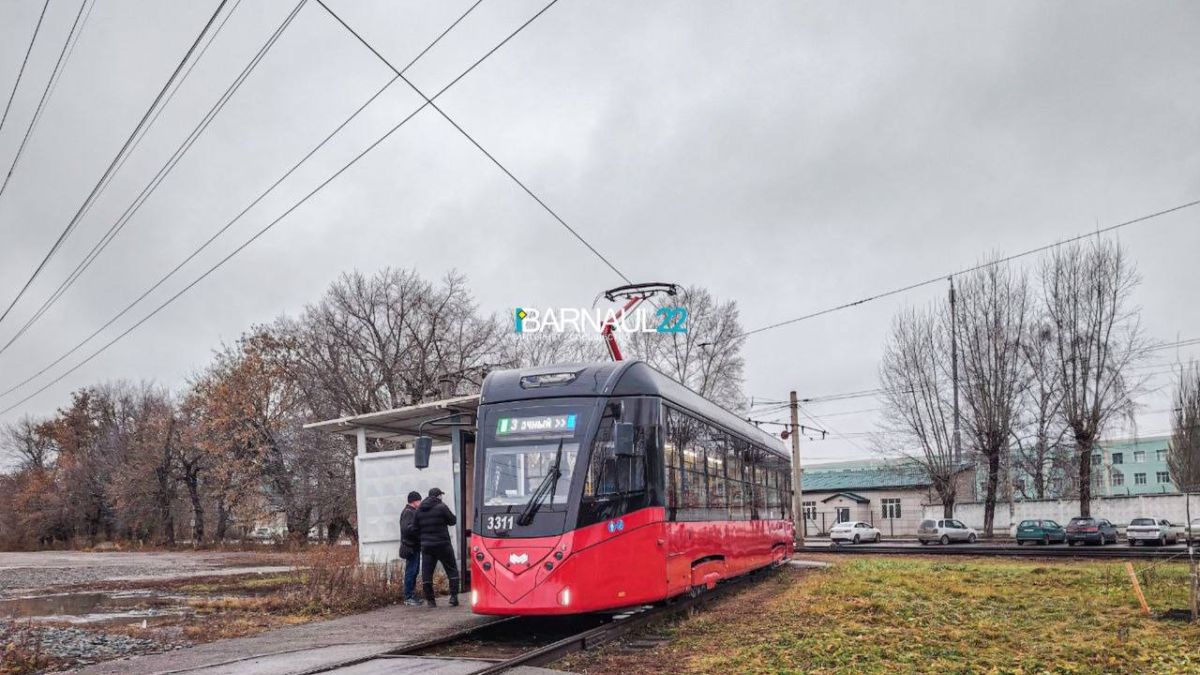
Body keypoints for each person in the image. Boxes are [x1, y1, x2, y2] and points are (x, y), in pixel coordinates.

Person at [411, 487, 459, 607]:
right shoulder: (442, 507)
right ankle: (453, 598)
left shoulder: (419, 510)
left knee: (427, 574)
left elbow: (414, 529)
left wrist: (423, 538)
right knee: (452, 570)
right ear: (438, 496)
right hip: (443, 545)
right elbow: (453, 521)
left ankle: (431, 601)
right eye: (441, 496)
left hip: (427, 547)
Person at [398, 491, 422, 606]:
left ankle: (411, 595)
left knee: (414, 571)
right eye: (419, 500)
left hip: (413, 546)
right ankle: (408, 596)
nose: (420, 502)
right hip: (410, 547)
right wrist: (418, 529)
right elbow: (406, 529)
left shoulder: (411, 511)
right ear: (414, 501)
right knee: (411, 571)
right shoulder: (408, 512)